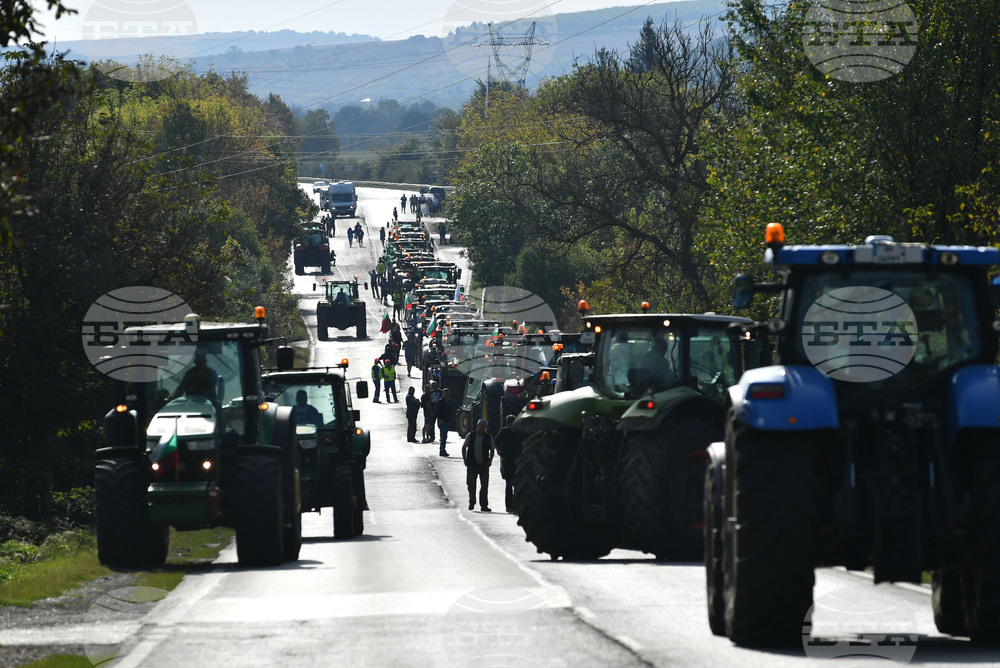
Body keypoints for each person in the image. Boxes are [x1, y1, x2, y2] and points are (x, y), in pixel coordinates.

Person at [462, 419, 495, 511]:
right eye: (481, 426)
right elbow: (464, 447)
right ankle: (472, 502)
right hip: (472, 464)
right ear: (477, 425)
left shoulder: (488, 437)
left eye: (484, 426)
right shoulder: (470, 436)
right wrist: (465, 459)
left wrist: (490, 460)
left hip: (484, 465)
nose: (482, 428)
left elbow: (492, 449)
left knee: (484, 486)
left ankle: (484, 505)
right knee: (471, 485)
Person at [495, 415, 525, 513]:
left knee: (508, 484)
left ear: (507, 422)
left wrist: (498, 450)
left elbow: (496, 440)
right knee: (517, 484)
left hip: (507, 460)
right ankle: (516, 504)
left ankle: (509, 505)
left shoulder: (504, 431)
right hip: (517, 460)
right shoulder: (520, 431)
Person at [436, 387, 455, 457]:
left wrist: (451, 418)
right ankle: (442, 450)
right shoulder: (440, 401)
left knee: (445, 436)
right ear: (443, 393)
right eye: (445, 393)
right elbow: (438, 411)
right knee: (443, 436)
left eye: (447, 393)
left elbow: (451, 410)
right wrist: (440, 419)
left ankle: (443, 449)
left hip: (447, 420)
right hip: (442, 421)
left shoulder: (449, 401)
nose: (446, 394)